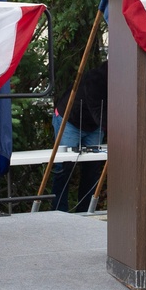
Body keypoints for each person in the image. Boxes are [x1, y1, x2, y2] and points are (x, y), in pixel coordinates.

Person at [51, 61, 108, 213]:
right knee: (64, 166)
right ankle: (58, 211)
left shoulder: (124, 80)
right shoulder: (95, 78)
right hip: (70, 120)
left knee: (92, 168)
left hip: (95, 126)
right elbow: (98, 110)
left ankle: (85, 211)